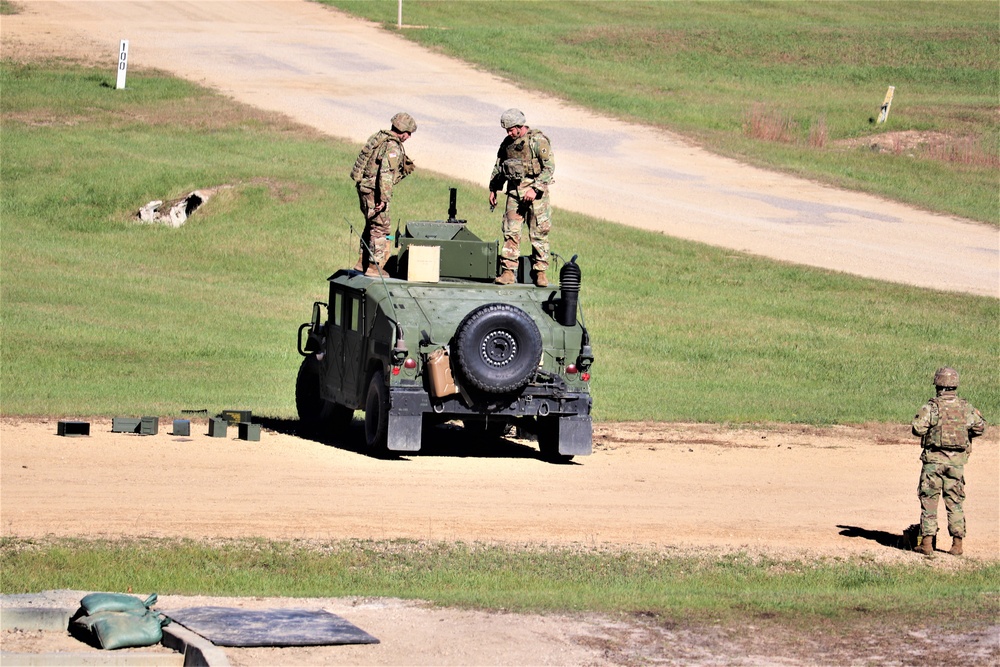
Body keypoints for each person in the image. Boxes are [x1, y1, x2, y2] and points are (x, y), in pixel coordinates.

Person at [910, 367, 986, 556]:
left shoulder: (932, 407)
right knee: (955, 502)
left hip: (933, 462)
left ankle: (926, 544)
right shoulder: (965, 407)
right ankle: (957, 545)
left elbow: (917, 429)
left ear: (938, 384)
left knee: (929, 500)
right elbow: (980, 427)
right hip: (956, 464)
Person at [488, 108, 555, 287]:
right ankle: (508, 271)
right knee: (511, 231)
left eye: (511, 129)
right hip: (514, 194)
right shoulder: (507, 144)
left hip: (536, 196)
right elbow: (500, 167)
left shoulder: (537, 141)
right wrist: (494, 189)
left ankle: (540, 272)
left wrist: (535, 188)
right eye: (507, 130)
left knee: (539, 233)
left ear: (520, 126)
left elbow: (549, 168)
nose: (509, 133)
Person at [350, 112, 416, 276]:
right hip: (375, 191)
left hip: (365, 188)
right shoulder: (392, 146)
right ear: (403, 131)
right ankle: (374, 267)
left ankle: (362, 262)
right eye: (408, 134)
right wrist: (384, 199)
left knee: (371, 224)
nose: (408, 137)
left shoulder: (379, 137)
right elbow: (386, 173)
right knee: (381, 228)